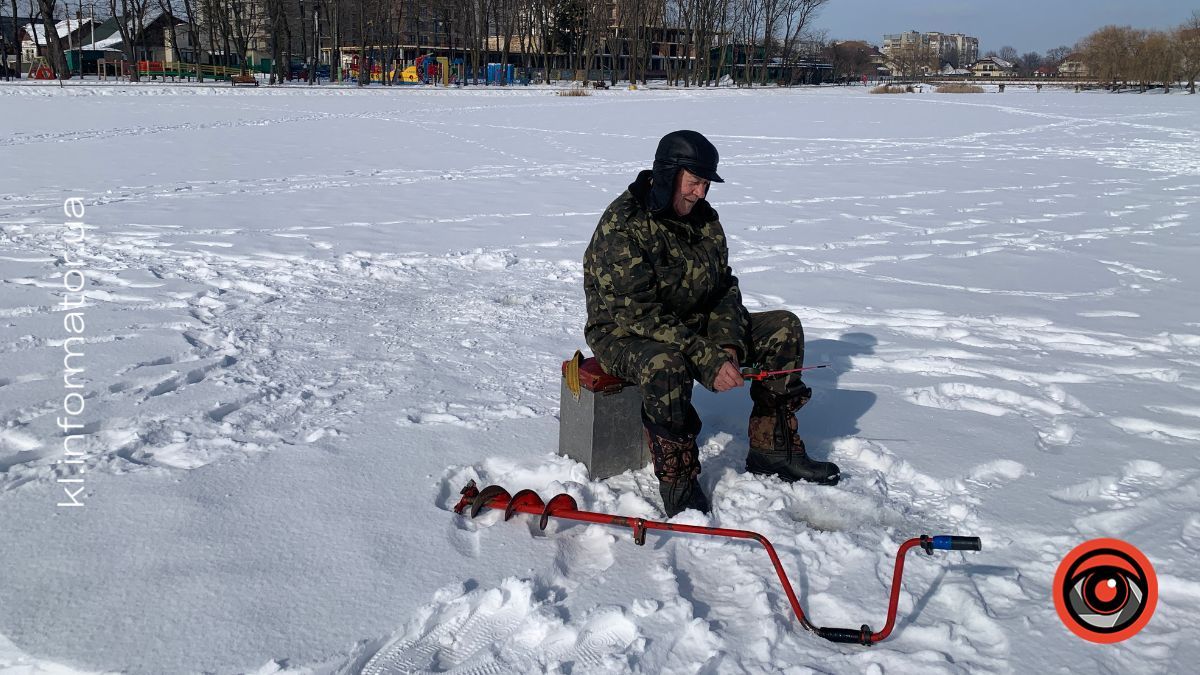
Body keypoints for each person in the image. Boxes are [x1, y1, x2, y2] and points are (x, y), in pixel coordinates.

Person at [583, 130, 840, 517]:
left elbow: (723, 288)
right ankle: (678, 480)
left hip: (688, 325)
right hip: (624, 333)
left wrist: (729, 343)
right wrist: (706, 357)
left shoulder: (704, 221)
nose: (700, 193)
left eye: (705, 184)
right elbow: (637, 314)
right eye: (694, 182)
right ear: (668, 174)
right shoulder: (623, 227)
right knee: (665, 364)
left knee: (783, 328)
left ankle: (773, 449)